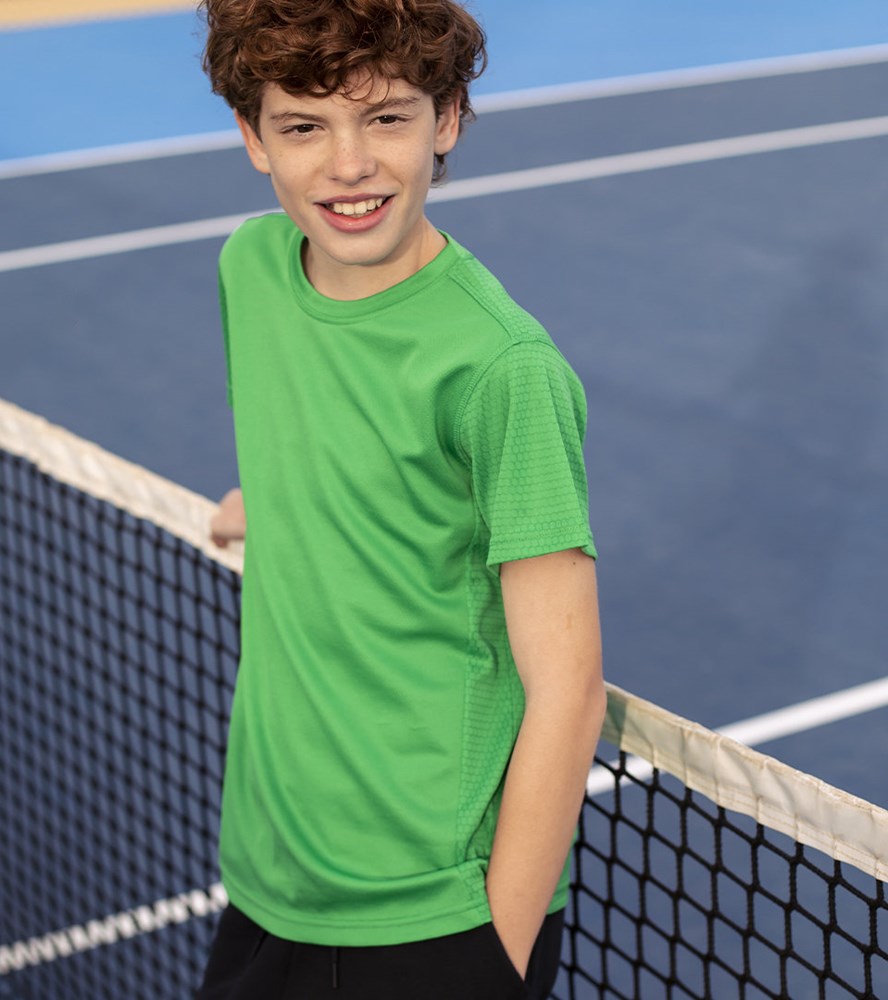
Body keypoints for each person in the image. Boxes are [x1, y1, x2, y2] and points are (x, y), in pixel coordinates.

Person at [197, 1, 605, 997]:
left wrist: (493, 959)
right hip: (269, 869)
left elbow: (568, 691)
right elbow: (334, 434)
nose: (349, 165)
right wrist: (276, 503)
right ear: (253, 138)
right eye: (303, 125)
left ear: (447, 118)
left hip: (432, 913)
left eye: (386, 117)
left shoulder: (503, 369)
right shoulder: (250, 270)